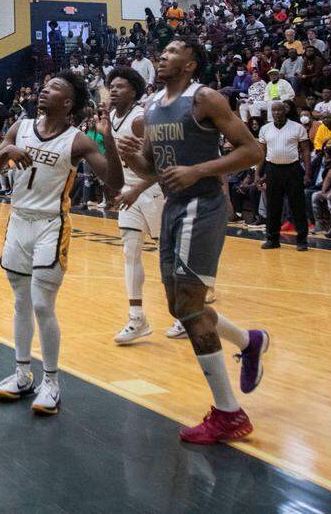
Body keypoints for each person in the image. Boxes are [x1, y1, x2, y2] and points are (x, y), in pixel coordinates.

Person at [118, 39, 269, 444]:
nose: (162, 56)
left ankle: (229, 413)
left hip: (203, 206)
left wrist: (198, 170)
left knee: (188, 305)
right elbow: (155, 166)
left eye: (171, 52)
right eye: (161, 52)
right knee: (180, 306)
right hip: (174, 206)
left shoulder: (204, 98)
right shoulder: (152, 107)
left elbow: (253, 150)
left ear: (190, 63)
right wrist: (133, 159)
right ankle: (249, 340)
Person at [0, 73, 123, 415]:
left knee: (42, 305)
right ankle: (21, 374)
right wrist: (7, 151)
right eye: (44, 86)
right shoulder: (21, 127)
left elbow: (114, 182)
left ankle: (51, 381)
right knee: (20, 302)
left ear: (68, 103)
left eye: (55, 88)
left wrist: (109, 141)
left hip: (51, 225)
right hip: (18, 221)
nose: (45, 90)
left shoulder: (77, 141)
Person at [105, 67, 166, 345]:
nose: (114, 90)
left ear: (134, 91)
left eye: (120, 86)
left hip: (152, 191)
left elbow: (162, 165)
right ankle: (136, 317)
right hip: (129, 192)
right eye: (111, 86)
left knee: (169, 255)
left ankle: (184, 312)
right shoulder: (112, 118)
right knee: (130, 252)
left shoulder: (141, 119)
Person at [256, 101, 310, 251]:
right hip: (272, 169)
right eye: (274, 110)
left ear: (285, 111)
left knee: (297, 205)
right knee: (273, 206)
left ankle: (302, 240)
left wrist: (307, 172)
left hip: (293, 169)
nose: (277, 113)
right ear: (271, 113)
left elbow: (305, 151)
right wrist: (257, 173)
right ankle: (272, 239)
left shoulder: (297, 127)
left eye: (279, 110)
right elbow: (261, 153)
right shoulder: (265, 129)